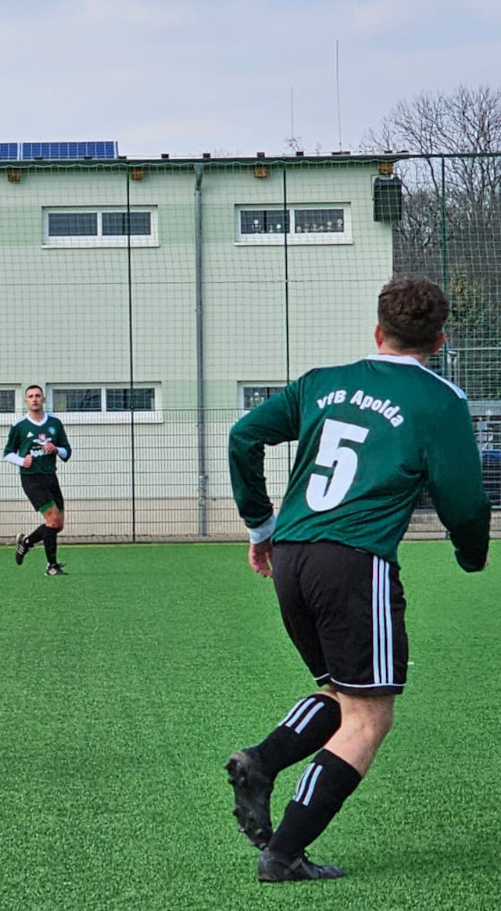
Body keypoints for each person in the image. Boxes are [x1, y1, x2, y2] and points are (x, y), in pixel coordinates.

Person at [225, 275, 491, 882]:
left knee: (342, 693)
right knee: (371, 716)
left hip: (291, 555)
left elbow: (244, 436)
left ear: (377, 331)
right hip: (354, 559)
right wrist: (472, 554)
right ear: (440, 339)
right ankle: (283, 854)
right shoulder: (439, 400)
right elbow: (468, 504)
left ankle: (262, 763)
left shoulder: (321, 382)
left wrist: (259, 526)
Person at [5, 385, 71, 575]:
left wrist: (56, 449)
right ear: (26, 401)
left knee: (58, 524)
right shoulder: (19, 426)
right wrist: (21, 460)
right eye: (30, 396)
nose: (34, 399)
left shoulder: (55, 424)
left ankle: (26, 543)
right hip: (31, 478)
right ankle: (51, 566)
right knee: (52, 519)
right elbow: (7, 453)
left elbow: (67, 451)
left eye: (37, 396)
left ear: (43, 399)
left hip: (50, 476)